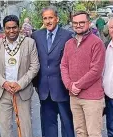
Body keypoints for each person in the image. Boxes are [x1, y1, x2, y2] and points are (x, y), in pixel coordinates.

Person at [0, 15, 39, 137]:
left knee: (25, 126)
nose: (11, 31)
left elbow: (34, 66)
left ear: (19, 27)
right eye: (8, 28)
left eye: (14, 27)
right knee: (5, 127)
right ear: (3, 29)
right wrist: (4, 83)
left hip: (22, 91)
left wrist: (20, 84)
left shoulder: (29, 43)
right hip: (3, 91)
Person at [60, 11, 105, 137]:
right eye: (75, 23)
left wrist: (77, 85)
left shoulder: (97, 43)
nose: (78, 25)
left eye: (82, 22)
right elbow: (63, 65)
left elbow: (96, 70)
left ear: (89, 23)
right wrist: (70, 85)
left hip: (92, 98)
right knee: (80, 132)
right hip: (74, 97)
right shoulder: (69, 43)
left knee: (93, 133)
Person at [31, 6, 74, 137]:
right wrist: (36, 83)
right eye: (45, 18)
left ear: (57, 19)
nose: (48, 21)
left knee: (67, 124)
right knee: (48, 125)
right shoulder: (36, 36)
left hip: (62, 88)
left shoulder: (67, 36)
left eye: (51, 18)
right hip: (44, 89)